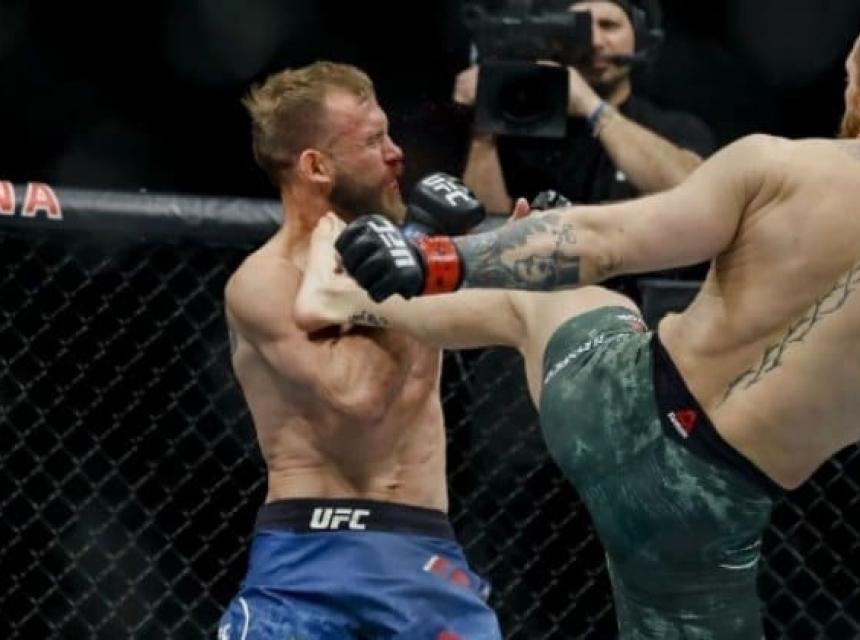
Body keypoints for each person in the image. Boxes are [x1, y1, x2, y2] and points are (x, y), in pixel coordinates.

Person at [294, 35, 860, 640]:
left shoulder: (778, 166)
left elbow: (605, 240)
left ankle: (348, 297)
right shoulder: (779, 167)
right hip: (707, 517)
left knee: (552, 297)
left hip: (610, 404)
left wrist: (438, 258)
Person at [217, 61, 502, 640]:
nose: (397, 154)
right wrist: (415, 251)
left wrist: (526, 249)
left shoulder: (422, 256)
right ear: (315, 166)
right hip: (309, 561)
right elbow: (359, 397)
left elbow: (505, 323)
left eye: (389, 135)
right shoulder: (268, 281)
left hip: (425, 550)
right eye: (373, 141)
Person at [455, 0, 714, 214]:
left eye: (609, 26)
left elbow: (696, 193)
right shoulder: (522, 127)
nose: (594, 41)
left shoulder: (675, 128)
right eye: (577, 28)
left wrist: (592, 106)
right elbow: (484, 224)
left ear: (640, 37)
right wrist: (485, 122)